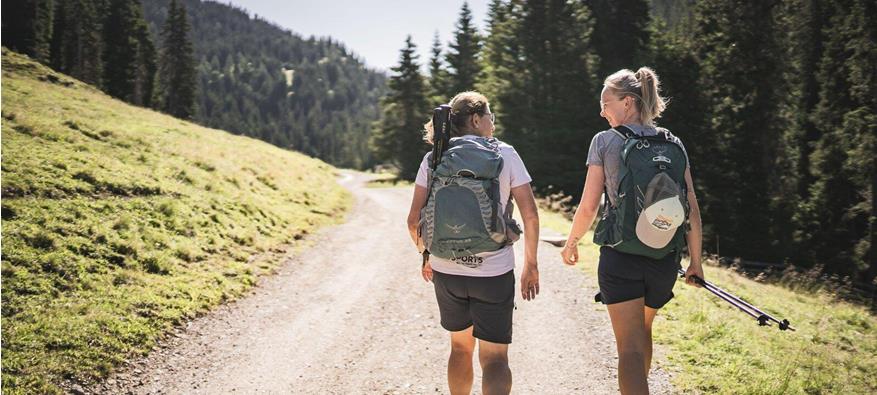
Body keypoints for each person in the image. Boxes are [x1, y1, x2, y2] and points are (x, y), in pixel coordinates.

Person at [560, 67, 705, 394]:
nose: (602, 111)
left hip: (621, 256)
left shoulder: (604, 141)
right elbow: (692, 208)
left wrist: (572, 242)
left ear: (627, 102)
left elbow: (588, 207)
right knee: (643, 331)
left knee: (628, 349)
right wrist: (696, 262)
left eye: (606, 102)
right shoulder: (673, 142)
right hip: (664, 258)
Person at [407, 91, 540, 395]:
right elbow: (530, 215)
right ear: (477, 119)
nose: (493, 123)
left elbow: (413, 221)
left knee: (459, 349)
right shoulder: (505, 153)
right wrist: (531, 264)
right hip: (493, 272)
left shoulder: (434, 157)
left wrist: (426, 255)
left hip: (447, 271)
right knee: (494, 357)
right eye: (490, 117)